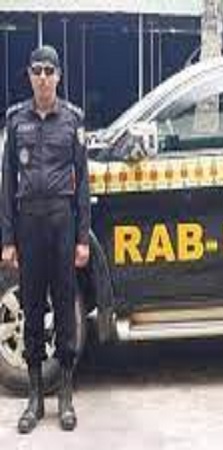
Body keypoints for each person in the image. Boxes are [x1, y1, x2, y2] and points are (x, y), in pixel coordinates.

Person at [1, 45, 90, 433]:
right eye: (36, 70)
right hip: (28, 224)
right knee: (32, 307)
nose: (42, 77)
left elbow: (83, 183)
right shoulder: (15, 121)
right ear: (29, 75)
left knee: (65, 308)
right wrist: (8, 239)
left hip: (62, 221)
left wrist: (82, 238)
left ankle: (65, 396)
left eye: (48, 71)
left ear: (58, 76)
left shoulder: (72, 120)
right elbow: (7, 183)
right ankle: (35, 398)